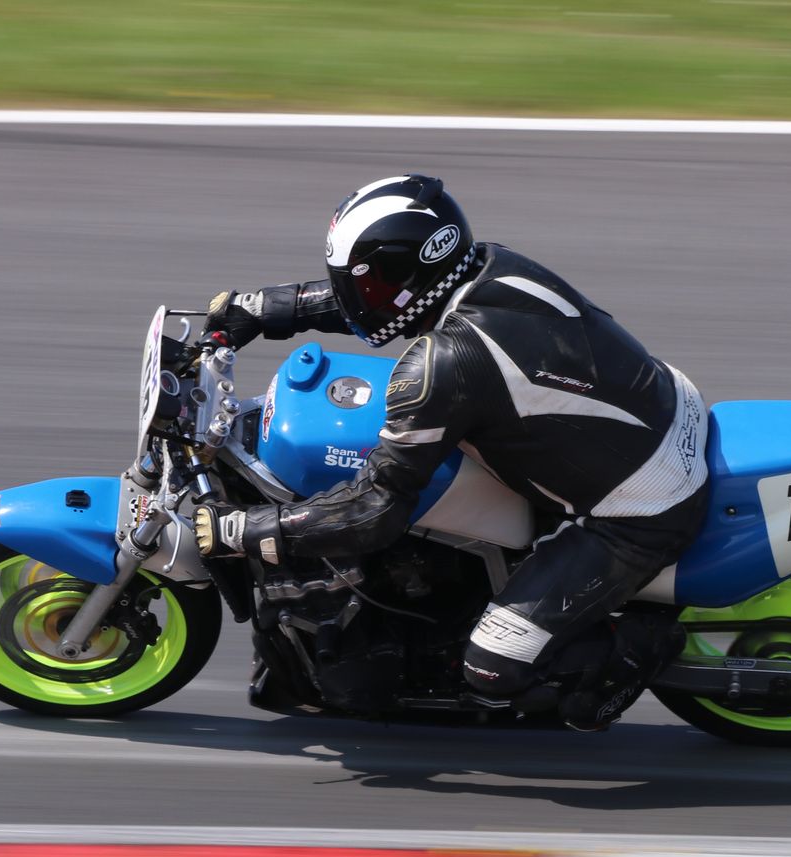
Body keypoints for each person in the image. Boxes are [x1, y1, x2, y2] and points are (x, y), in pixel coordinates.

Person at [193, 174, 709, 730]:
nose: (358, 294)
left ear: (413, 272)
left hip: (640, 505)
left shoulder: (445, 364)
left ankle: (641, 646)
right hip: (659, 406)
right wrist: (270, 308)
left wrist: (249, 530)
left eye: (368, 281)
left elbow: (374, 510)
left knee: (494, 668)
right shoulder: (489, 264)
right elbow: (392, 304)